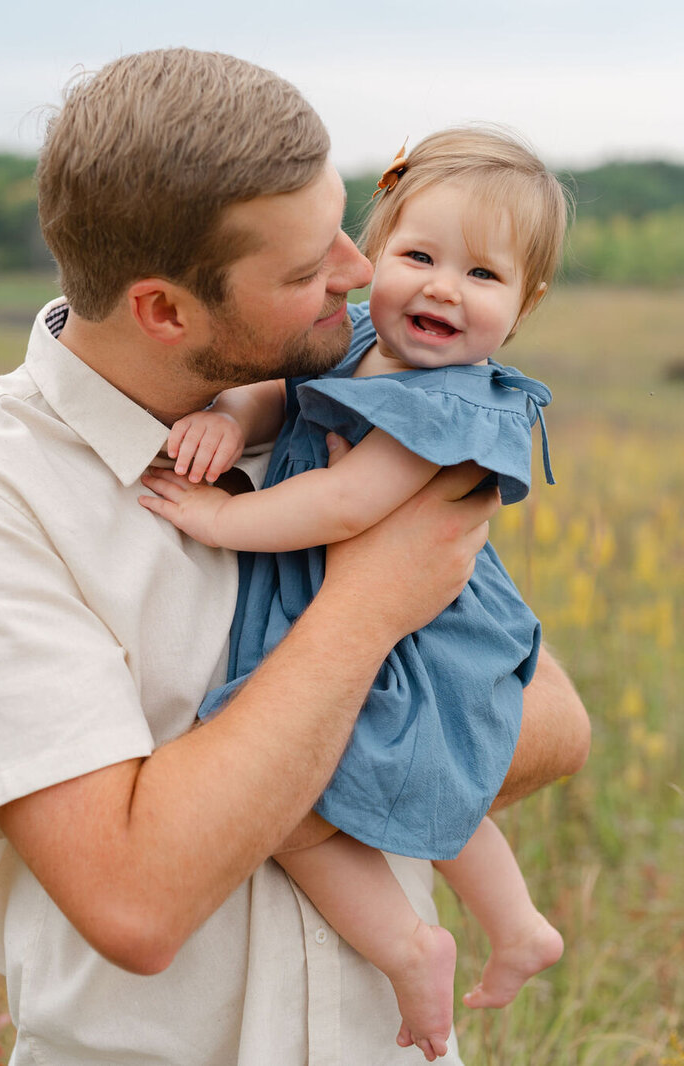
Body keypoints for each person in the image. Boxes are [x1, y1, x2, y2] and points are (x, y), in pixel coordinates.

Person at [0, 51, 589, 1066]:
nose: (356, 273)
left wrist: (220, 792)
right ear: (163, 309)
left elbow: (553, 726)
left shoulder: (338, 400)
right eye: (306, 270)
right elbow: (135, 899)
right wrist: (364, 612)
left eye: (344, 228)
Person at [139, 127, 571, 1059]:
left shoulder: (452, 404)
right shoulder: (362, 337)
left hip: (430, 626)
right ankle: (521, 926)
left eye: (484, 276)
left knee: (298, 799)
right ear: (371, 254)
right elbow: (281, 395)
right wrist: (226, 412)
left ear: (524, 303)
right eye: (420, 256)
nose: (444, 288)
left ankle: (413, 950)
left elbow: (343, 502)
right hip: (383, 606)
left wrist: (217, 522)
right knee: (430, 767)